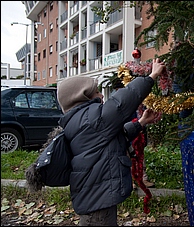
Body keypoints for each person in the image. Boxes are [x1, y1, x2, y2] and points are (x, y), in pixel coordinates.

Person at [56, 58, 165, 226]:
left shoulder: (81, 120)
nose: (101, 95)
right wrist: (152, 75)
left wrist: (141, 123)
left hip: (96, 194)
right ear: (83, 96)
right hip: (97, 198)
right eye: (96, 92)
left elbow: (115, 136)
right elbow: (123, 101)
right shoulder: (91, 117)